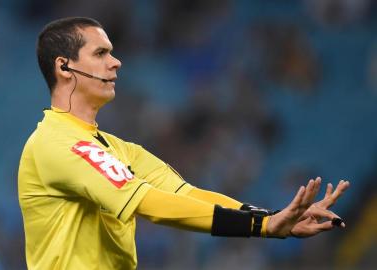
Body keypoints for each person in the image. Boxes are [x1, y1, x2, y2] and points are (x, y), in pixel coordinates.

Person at [18, 17, 350, 270]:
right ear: (64, 66)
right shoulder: (57, 142)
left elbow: (184, 195)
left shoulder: (118, 150)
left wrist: (276, 219)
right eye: (101, 53)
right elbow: (151, 205)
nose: (115, 61)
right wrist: (261, 225)